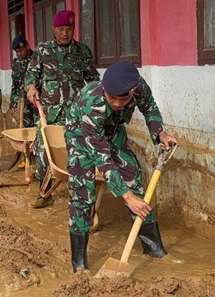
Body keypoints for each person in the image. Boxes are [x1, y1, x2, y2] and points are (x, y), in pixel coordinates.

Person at [64, 61, 177, 273]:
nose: (116, 103)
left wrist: (160, 133)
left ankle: (154, 249)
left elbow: (149, 106)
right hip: (81, 136)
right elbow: (102, 158)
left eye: (123, 99)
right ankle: (79, 263)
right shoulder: (91, 104)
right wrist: (126, 196)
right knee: (82, 195)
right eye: (111, 98)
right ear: (105, 90)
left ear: (133, 90)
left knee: (135, 181)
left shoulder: (139, 87)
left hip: (113, 130)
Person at [25, 10, 99, 208]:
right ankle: (45, 192)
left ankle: (79, 196)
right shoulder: (42, 51)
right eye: (61, 29)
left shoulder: (82, 52)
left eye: (69, 29)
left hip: (76, 115)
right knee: (43, 154)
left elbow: (93, 81)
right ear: (53, 29)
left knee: (76, 155)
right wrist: (31, 87)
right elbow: (31, 75)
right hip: (48, 114)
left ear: (74, 29)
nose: (65, 33)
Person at [9, 35, 37, 128]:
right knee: (26, 128)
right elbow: (15, 84)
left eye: (21, 50)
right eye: (16, 52)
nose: (18, 54)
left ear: (27, 46)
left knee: (38, 126)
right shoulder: (16, 63)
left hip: (36, 100)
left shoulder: (36, 59)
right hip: (24, 102)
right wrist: (13, 102)